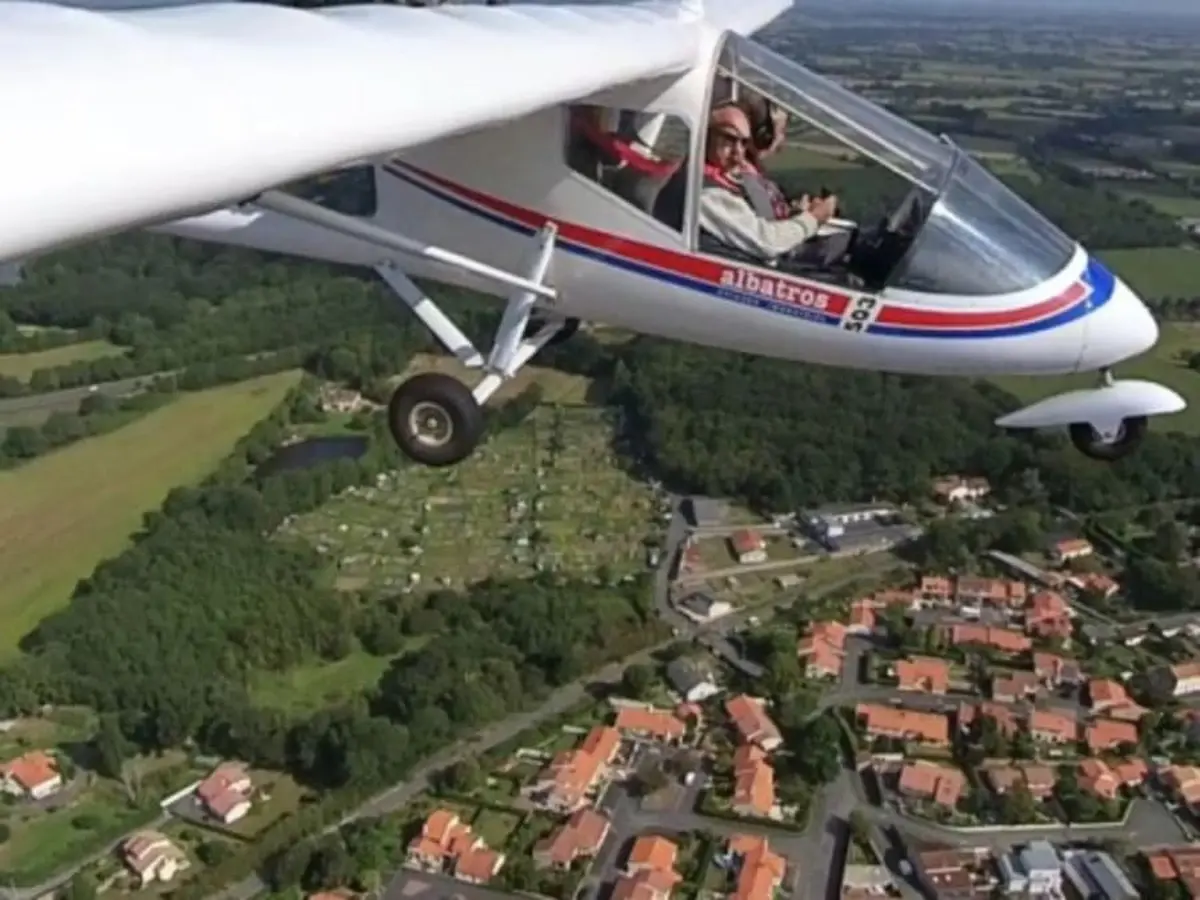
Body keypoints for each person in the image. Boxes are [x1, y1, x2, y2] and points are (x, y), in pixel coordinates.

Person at [698, 105, 838, 262]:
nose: (738, 154)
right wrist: (813, 218)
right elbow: (766, 242)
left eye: (743, 143)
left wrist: (796, 215)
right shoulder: (706, 193)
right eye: (729, 140)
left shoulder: (729, 178)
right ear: (706, 136)